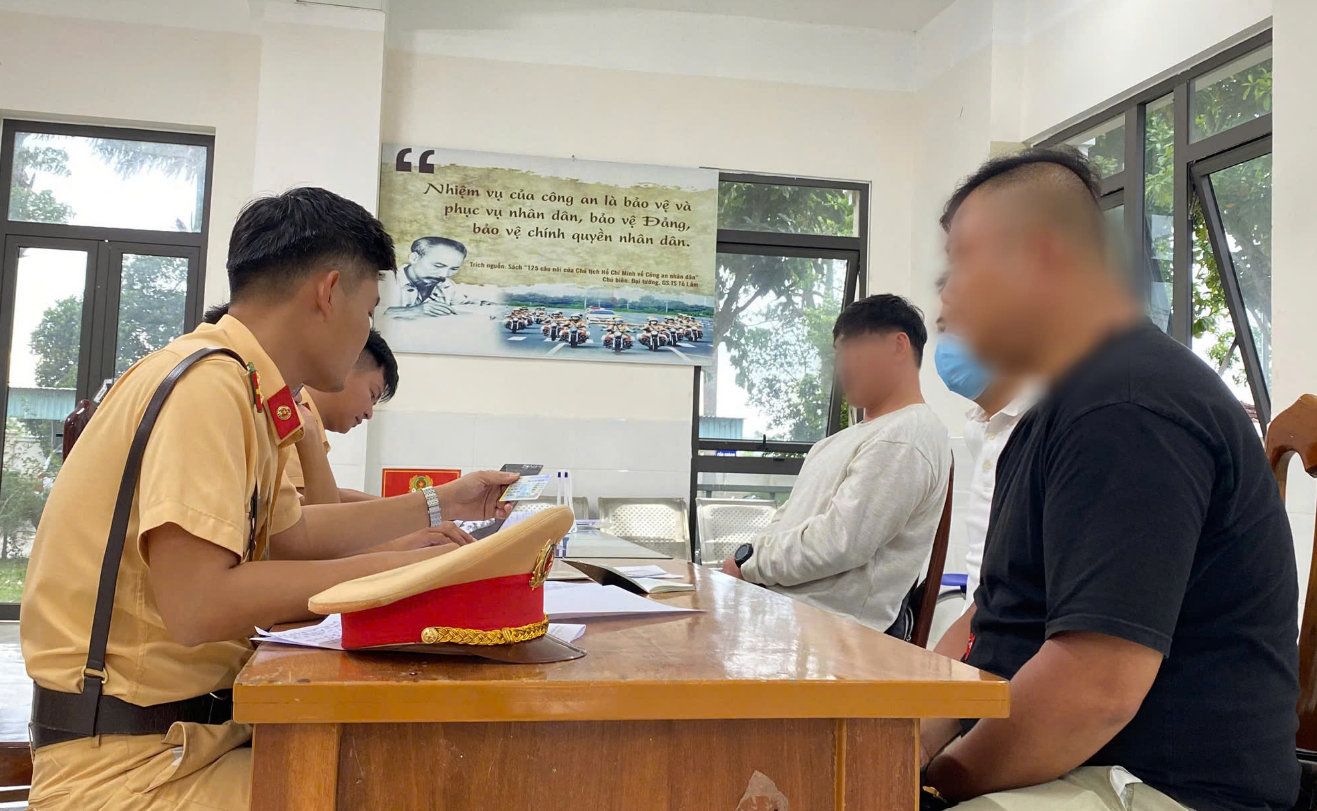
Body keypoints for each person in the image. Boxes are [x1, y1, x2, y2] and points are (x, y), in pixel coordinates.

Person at [21, 187, 518, 811]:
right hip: (134, 769)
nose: (367, 329)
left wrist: (445, 504)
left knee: (415, 764)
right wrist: (398, 570)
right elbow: (198, 606)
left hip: (193, 736)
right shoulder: (207, 387)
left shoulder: (246, 388)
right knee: (420, 786)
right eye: (368, 309)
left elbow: (293, 536)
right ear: (328, 292)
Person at [921, 148, 1299, 811]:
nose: (945, 293)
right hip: (1073, 771)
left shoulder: (1126, 404)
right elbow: (990, 618)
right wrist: (896, 744)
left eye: (962, 261)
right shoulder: (1058, 410)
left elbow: (1093, 690)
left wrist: (935, 782)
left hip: (1156, 785)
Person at [721, 294, 952, 638]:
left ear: (897, 346)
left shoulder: (908, 433)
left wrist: (747, 563)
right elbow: (784, 522)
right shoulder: (831, 444)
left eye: (852, 350)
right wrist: (749, 563)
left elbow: (841, 543)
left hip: (833, 634)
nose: (841, 367)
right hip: (781, 615)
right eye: (838, 354)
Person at [204, 302, 397, 504]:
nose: (369, 414)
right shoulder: (280, 409)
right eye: (372, 394)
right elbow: (314, 513)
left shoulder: (304, 420)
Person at [933, 294, 1033, 602]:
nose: (948, 343)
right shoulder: (978, 431)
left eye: (960, 324)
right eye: (943, 329)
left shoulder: (1046, 425)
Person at [389, 236, 470, 316]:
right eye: (438, 266)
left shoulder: (447, 285)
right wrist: (410, 311)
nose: (444, 275)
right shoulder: (383, 281)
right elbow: (377, 313)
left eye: (454, 269)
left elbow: (465, 302)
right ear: (414, 258)